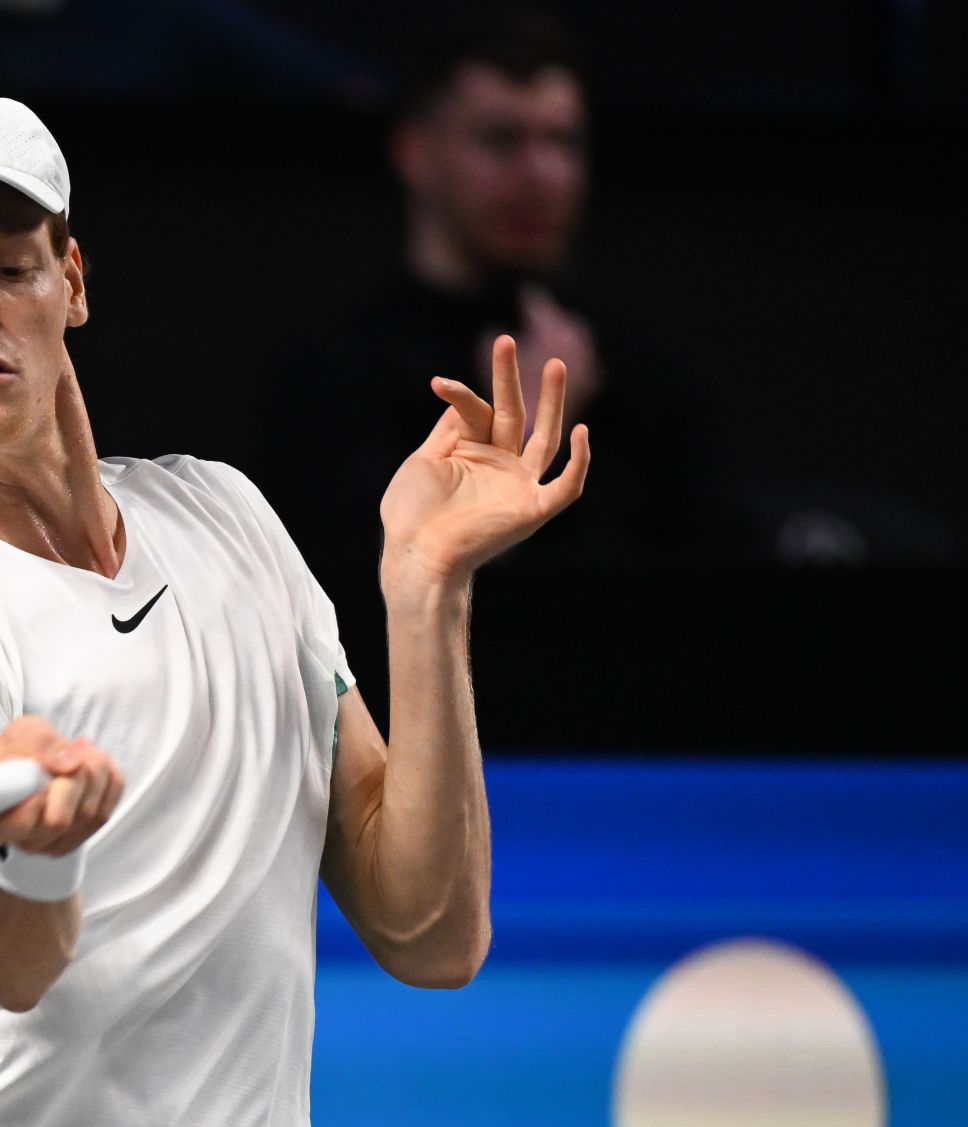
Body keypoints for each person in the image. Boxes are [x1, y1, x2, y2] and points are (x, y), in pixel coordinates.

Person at [0, 88, 588, 1127]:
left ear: (75, 280)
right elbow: (2, 954)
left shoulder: (227, 519)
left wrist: (425, 591)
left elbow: (431, 931)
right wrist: (31, 843)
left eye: (9, 264)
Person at [251, 4, 748, 701]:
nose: (540, 173)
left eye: (562, 142)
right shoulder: (334, 377)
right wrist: (524, 449)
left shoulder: (639, 369)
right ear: (416, 152)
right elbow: (351, 617)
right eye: (501, 140)